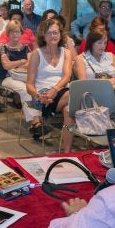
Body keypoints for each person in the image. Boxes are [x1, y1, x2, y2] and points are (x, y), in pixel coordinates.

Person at [26, 18, 74, 152]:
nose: (53, 36)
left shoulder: (67, 53)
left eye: (56, 33)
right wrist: (37, 95)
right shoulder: (37, 54)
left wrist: (55, 89)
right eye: (50, 33)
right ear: (43, 35)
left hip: (62, 92)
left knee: (69, 110)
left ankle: (66, 153)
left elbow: (67, 76)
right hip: (42, 96)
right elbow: (29, 85)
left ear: (61, 34)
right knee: (76, 96)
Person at [0, 20, 46, 138]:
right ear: (8, 33)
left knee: (36, 89)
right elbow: (5, 65)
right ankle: (35, 122)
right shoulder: (3, 47)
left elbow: (30, 63)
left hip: (24, 77)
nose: (15, 35)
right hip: (9, 77)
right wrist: (21, 62)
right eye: (12, 32)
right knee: (25, 90)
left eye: (18, 32)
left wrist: (15, 64)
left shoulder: (26, 47)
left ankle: (36, 123)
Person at [75, 28, 115, 119]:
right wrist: (106, 84)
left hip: (114, 93)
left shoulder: (111, 56)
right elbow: (83, 83)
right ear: (91, 43)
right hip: (92, 95)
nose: (103, 46)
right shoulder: (81, 58)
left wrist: (113, 80)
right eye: (99, 43)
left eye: (105, 43)